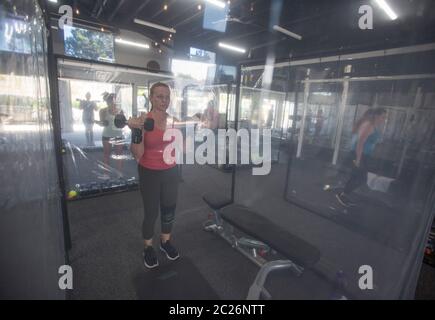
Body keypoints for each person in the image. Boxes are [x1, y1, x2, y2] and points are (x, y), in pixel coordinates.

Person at [128, 83, 180, 269]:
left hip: (171, 171)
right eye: (159, 96)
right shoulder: (144, 120)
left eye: (166, 97)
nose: (164, 100)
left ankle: (165, 242)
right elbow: (137, 154)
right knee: (151, 212)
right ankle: (148, 247)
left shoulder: (173, 120)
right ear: (151, 98)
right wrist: (136, 131)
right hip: (149, 171)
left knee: (169, 210)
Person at [336, 107, 387, 207]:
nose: (384, 119)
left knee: (357, 176)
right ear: (376, 116)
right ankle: (342, 194)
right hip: (359, 154)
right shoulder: (369, 125)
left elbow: (371, 140)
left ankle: (343, 195)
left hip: (364, 155)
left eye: (385, 117)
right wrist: (358, 159)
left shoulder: (374, 126)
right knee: (361, 178)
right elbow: (360, 142)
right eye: (383, 117)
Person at [99, 92, 124, 171]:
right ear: (107, 101)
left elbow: (123, 123)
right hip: (107, 135)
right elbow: (103, 124)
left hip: (118, 135)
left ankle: (119, 174)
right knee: (106, 155)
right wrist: (99, 122)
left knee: (119, 155)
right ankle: (106, 175)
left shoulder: (120, 110)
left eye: (113, 100)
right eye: (110, 100)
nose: (112, 102)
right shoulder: (103, 110)